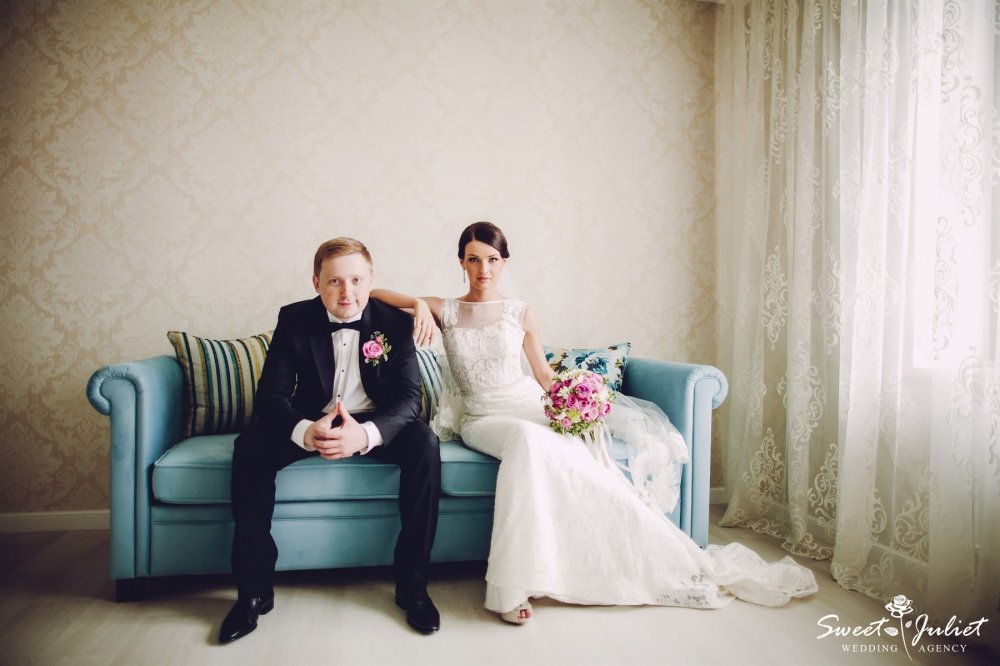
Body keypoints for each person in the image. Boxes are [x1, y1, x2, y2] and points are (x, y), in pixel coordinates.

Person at [371, 221, 817, 625]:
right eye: (473, 259)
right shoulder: (446, 309)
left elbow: (542, 375)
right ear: (461, 263)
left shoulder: (520, 312)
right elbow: (375, 293)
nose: (482, 269)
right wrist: (419, 304)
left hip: (528, 403)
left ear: (504, 262)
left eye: (491, 259)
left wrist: (571, 404)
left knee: (575, 456)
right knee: (527, 441)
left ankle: (635, 559)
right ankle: (511, 586)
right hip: (483, 416)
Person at [219, 237, 442, 643]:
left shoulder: (395, 323)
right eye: (335, 281)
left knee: (425, 444)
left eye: (356, 280)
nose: (347, 292)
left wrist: (365, 435)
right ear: (316, 283)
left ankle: (413, 588)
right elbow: (271, 396)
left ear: (370, 280)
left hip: (373, 419)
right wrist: (305, 430)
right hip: (312, 418)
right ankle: (253, 592)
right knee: (249, 447)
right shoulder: (293, 318)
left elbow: (410, 398)